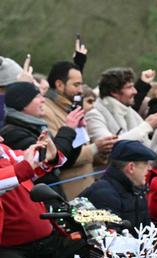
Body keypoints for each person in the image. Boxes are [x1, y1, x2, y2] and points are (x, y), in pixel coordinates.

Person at [42, 61, 116, 198]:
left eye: (81, 84)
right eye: (76, 85)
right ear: (59, 85)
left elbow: (85, 151)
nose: (81, 90)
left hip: (86, 189)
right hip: (69, 192)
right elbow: (58, 156)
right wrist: (95, 148)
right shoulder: (46, 111)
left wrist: (104, 150)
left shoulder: (72, 108)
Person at [0, 81, 83, 194]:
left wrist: (77, 131)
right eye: (37, 96)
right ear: (23, 103)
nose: (43, 100)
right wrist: (68, 129)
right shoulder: (13, 132)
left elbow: (62, 160)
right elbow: (42, 162)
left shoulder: (38, 126)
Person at [85, 67, 157, 147]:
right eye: (129, 87)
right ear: (114, 92)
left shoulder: (131, 113)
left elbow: (150, 151)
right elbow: (110, 146)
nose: (135, 91)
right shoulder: (94, 116)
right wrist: (146, 126)